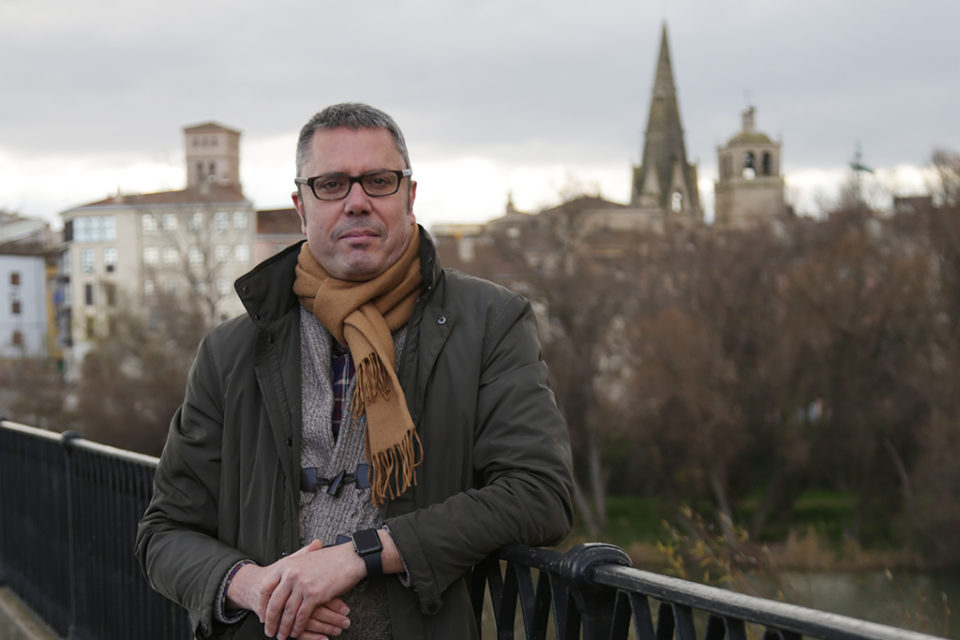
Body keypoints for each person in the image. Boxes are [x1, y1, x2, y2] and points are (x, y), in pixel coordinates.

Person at [136, 103, 573, 640]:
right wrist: (257, 587)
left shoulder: (489, 323)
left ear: (409, 196)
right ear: (301, 206)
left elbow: (540, 493)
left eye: (379, 181)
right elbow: (164, 533)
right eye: (332, 185)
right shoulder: (231, 352)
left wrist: (361, 554)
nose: (357, 202)